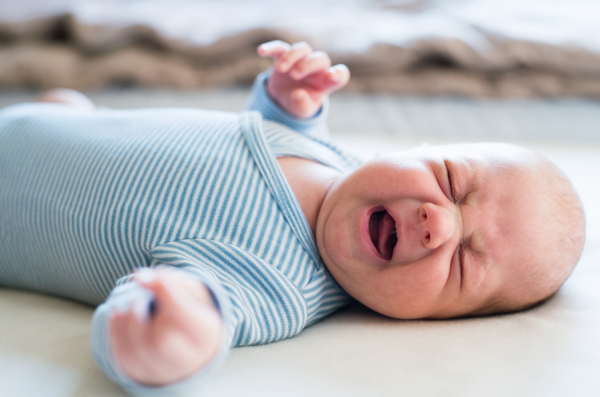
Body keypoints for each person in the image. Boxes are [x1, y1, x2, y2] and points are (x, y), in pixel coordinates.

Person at [0, 41, 585, 395]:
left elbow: (204, 314)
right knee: (64, 103)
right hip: (61, 121)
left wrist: (171, 339)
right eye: (452, 182)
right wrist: (289, 102)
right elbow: (270, 134)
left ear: (433, 320)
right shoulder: (330, 157)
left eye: (461, 263)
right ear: (412, 150)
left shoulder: (275, 288)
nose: (440, 226)